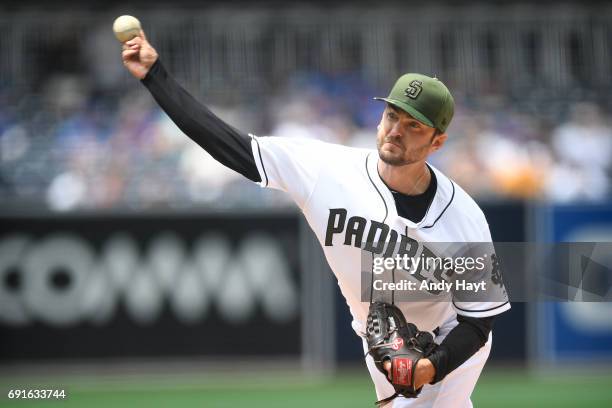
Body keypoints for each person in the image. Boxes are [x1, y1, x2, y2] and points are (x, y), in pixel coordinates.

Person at [121, 30, 510, 407]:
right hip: (379, 340)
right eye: (392, 115)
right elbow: (230, 146)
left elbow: (478, 323)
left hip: (447, 343)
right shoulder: (326, 169)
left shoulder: (464, 217)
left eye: (414, 126)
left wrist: (432, 366)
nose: (396, 131)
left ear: (437, 141)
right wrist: (156, 77)